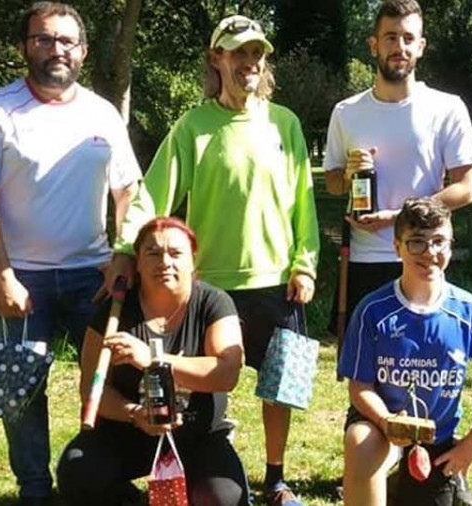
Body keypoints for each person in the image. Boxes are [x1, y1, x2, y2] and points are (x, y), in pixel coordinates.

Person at [104, 14, 320, 505]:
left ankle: (277, 478)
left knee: (281, 384)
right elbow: (152, 194)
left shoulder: (284, 124)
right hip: (209, 288)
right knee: (202, 384)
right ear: (216, 59)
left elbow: (302, 201)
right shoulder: (193, 127)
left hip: (276, 280)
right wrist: (124, 250)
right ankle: (195, 463)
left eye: (256, 53)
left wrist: (305, 262)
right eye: (238, 52)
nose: (249, 62)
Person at [0, 2, 140, 503]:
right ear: (24, 47)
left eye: (66, 41)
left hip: (91, 275)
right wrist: (2, 275)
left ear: (81, 51)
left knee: (112, 377)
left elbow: (128, 191)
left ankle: (101, 478)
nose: (56, 49)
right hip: (21, 279)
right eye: (43, 39)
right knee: (21, 393)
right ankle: (35, 490)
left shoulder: (102, 112)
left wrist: (122, 253)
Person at [338, 197, 472, 506]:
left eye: (439, 242)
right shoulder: (373, 310)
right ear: (397, 247)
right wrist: (387, 422)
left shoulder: (467, 311)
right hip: (379, 424)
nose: (429, 252)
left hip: (435, 441)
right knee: (361, 442)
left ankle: (433, 485)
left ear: (451, 247)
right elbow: (360, 387)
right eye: (416, 243)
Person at [57, 217, 248, 506]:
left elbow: (226, 373)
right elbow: (91, 391)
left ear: (192, 261)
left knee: (224, 498)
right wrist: (134, 413)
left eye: (175, 253)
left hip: (197, 435)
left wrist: (153, 359)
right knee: (78, 470)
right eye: (153, 253)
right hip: (127, 432)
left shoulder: (213, 303)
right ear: (138, 263)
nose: (164, 262)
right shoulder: (114, 312)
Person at [323, 0, 472, 334]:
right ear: (373, 44)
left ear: (421, 47)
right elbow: (333, 183)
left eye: (408, 38)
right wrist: (349, 175)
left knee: (421, 368)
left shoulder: (447, 108)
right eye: (390, 37)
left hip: (423, 257)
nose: (399, 47)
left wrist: (399, 217)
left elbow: (466, 189)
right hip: (363, 262)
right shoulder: (346, 112)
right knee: (363, 375)